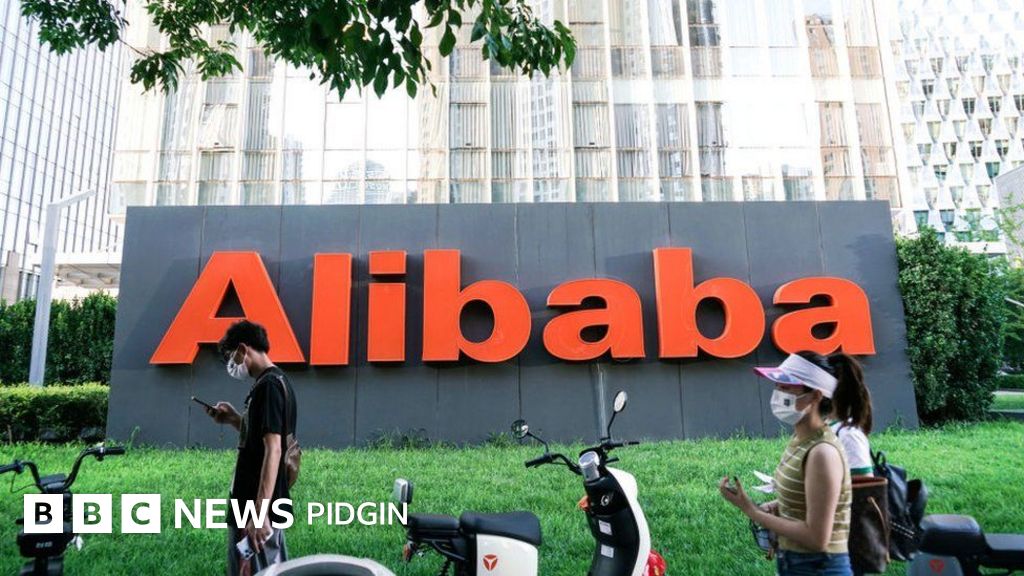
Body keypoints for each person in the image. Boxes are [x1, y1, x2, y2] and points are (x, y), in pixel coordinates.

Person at [719, 351, 871, 576]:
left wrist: (752, 511)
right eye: (777, 385)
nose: (778, 394)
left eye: (787, 387)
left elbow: (817, 538)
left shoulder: (822, 452)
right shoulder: (800, 440)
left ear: (815, 396)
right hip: (795, 564)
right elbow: (807, 501)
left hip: (820, 568)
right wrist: (777, 507)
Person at [206, 320, 297, 576]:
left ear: (243, 349)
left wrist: (259, 513)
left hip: (255, 510)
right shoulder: (273, 382)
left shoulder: (269, 386)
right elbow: (261, 440)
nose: (231, 364)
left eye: (230, 356)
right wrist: (233, 419)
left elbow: (274, 449)